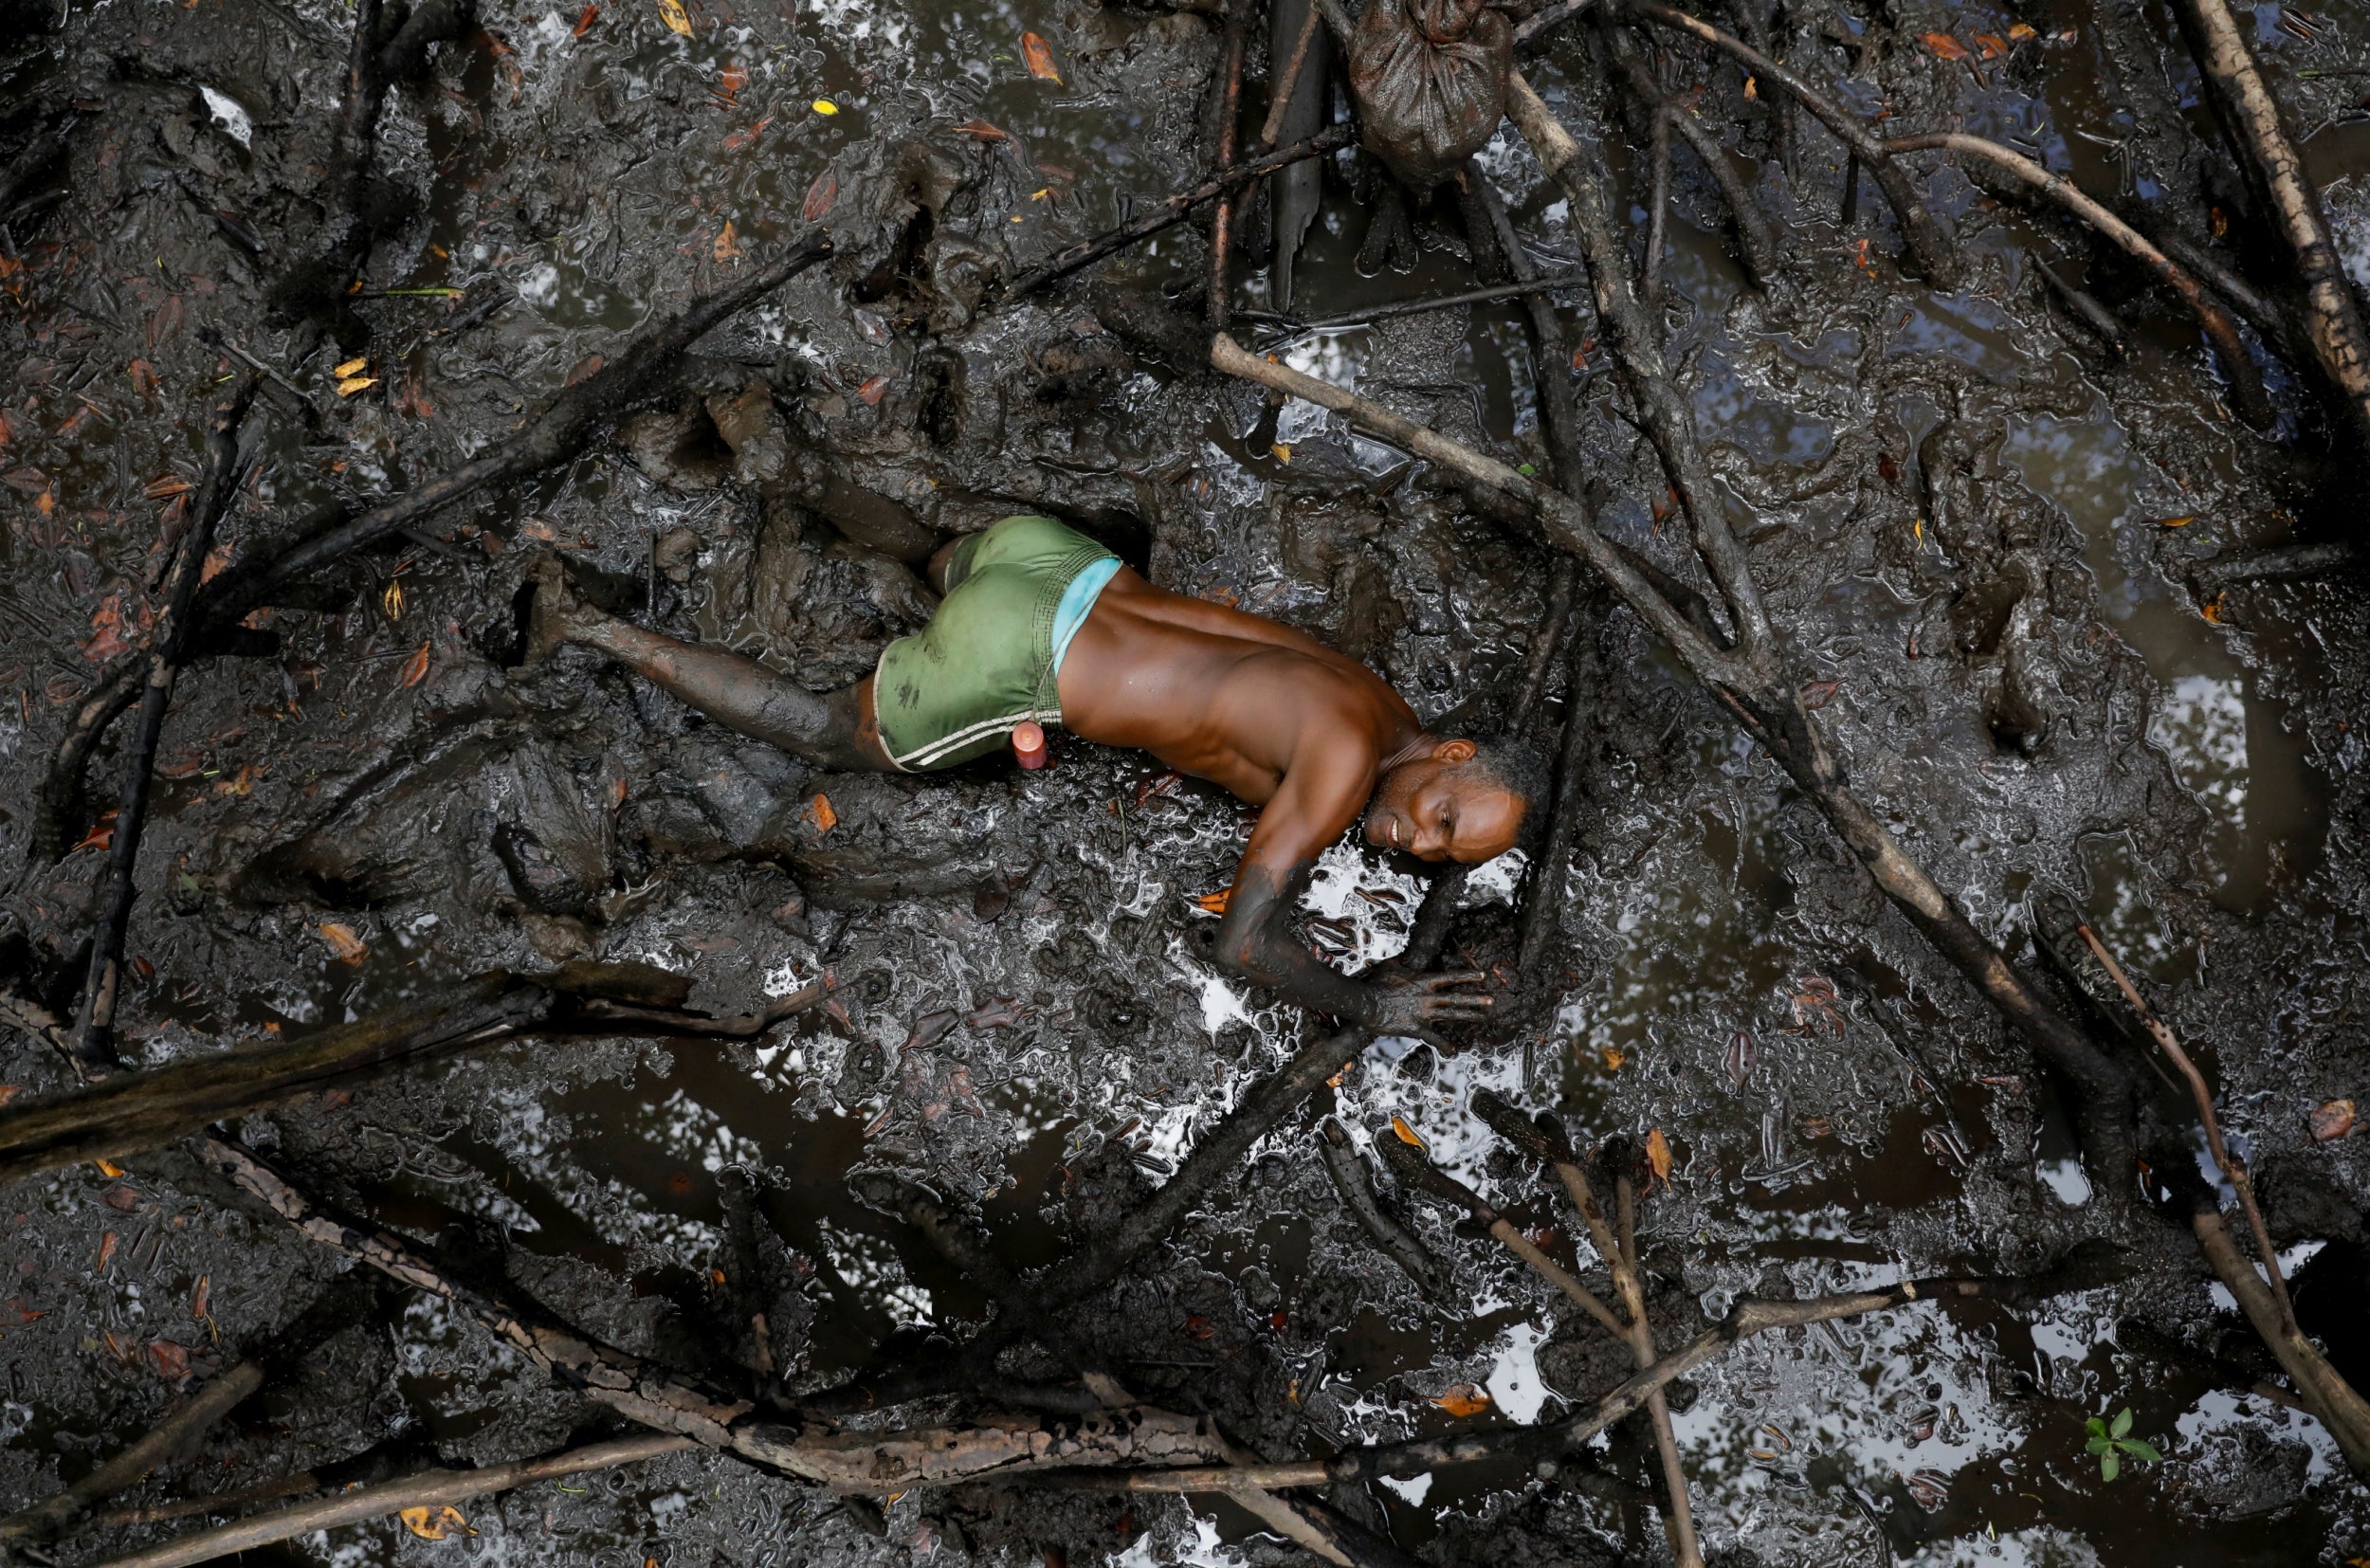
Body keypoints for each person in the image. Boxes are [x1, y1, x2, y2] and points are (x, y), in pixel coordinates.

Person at [526, 514, 1544, 1032]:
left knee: (939, 554)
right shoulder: (1340, 767)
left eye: (1441, 852)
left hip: (1063, 564)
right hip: (1018, 652)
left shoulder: (1382, 707)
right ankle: (585, 621)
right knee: (833, 733)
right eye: (1441, 818)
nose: (1417, 844)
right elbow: (1240, 946)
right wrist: (1370, 1004)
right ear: (1449, 756)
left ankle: (775, 448)